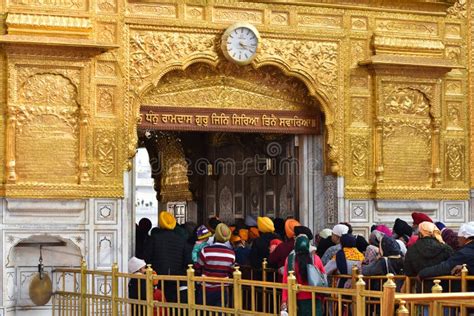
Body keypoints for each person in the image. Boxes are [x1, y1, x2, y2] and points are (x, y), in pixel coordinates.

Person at [144, 211, 190, 303]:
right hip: (176, 277)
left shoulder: (154, 238)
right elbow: (187, 260)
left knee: (160, 303)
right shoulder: (181, 239)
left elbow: (147, 258)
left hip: (157, 276)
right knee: (173, 303)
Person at [418, 222, 474, 291]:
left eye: (458, 237)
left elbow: (445, 267)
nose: (457, 240)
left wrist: (423, 273)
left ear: (465, 238)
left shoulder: (464, 253)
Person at [281, 234, 326, 316]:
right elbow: (323, 279)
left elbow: (285, 281)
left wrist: (284, 301)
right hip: (315, 298)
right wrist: (323, 300)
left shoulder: (290, 260)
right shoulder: (316, 259)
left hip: (297, 300)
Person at [404, 221, 454, 292]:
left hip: (422, 290)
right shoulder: (445, 248)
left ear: (420, 233)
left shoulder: (412, 249)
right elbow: (451, 266)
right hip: (443, 289)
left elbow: (408, 271)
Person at [195, 223, 235, 307]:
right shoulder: (231, 254)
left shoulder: (205, 250)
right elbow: (231, 271)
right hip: (222, 289)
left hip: (206, 289)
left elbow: (198, 267)